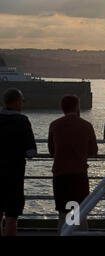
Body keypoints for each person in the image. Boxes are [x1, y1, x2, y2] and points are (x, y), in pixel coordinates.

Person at [48, 95, 98, 233]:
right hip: (79, 175)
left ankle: (64, 233)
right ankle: (77, 232)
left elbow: (52, 151)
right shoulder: (86, 125)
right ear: (77, 107)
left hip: (60, 175)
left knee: (63, 213)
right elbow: (93, 151)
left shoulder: (55, 125)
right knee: (78, 212)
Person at [0, 88, 37, 236]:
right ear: (16, 103)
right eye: (21, 102)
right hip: (14, 176)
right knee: (11, 217)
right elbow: (31, 152)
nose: (22, 105)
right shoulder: (22, 121)